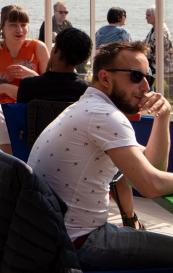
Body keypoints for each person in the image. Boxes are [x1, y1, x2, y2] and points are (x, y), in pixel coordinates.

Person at [28, 41, 173, 271]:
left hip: (54, 238)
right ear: (105, 78)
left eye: (149, 77)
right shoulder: (103, 115)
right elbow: (152, 186)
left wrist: (162, 117)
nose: (146, 86)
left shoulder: (90, 107)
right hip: (79, 243)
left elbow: (152, 166)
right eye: (136, 76)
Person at [0, 5, 49, 160]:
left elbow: (51, 87)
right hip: (2, 110)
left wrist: (31, 75)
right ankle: (14, 168)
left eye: (23, 25)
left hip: (29, 110)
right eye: (13, 25)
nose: (19, 30)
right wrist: (4, 88)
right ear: (2, 27)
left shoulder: (38, 48)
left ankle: (6, 172)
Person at [16, 27, 92, 103]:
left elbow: (21, 112)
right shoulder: (86, 90)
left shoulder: (28, 85)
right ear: (80, 62)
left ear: (55, 49)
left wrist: (45, 76)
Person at [142, 5, 173, 88]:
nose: (146, 18)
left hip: (162, 64)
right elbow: (145, 44)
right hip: (155, 62)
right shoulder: (155, 29)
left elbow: (156, 52)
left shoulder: (161, 31)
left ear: (156, 15)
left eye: (148, 15)